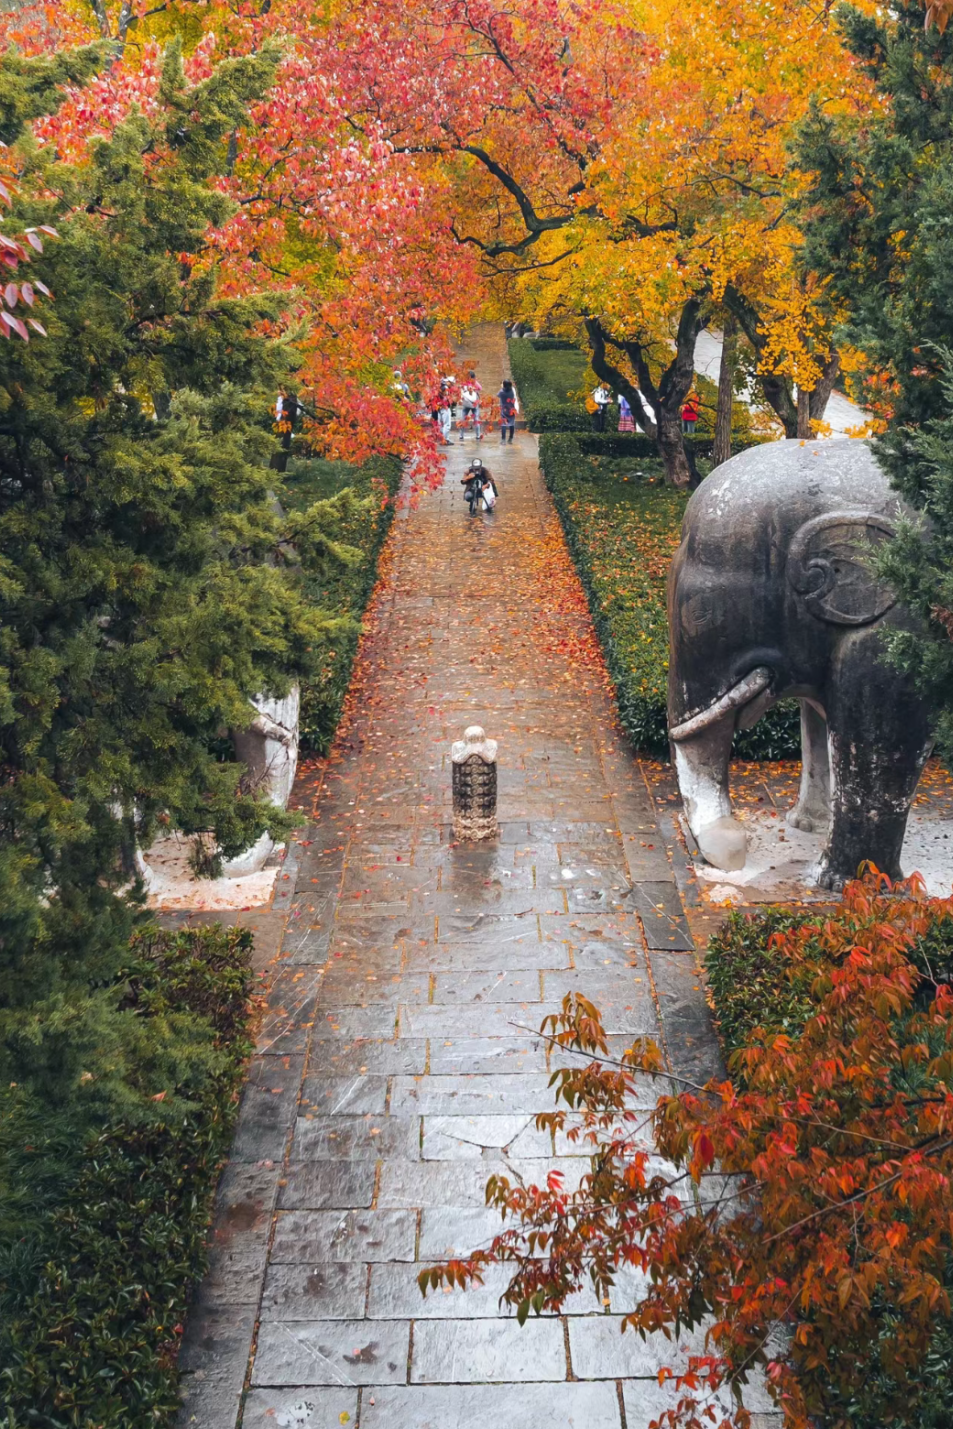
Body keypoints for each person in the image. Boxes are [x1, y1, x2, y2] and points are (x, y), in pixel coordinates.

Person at [459, 371, 483, 441]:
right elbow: (461, 390)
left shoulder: (474, 383)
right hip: (468, 403)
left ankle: (477, 435)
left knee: (474, 419)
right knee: (466, 419)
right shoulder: (466, 383)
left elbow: (480, 388)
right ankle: (462, 435)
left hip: (472, 403)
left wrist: (473, 389)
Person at [498, 378, 519, 443]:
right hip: (512, 409)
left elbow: (498, 395)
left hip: (504, 410)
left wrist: (502, 387)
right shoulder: (512, 390)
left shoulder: (502, 392)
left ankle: (503, 439)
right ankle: (510, 438)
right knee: (512, 423)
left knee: (503, 424)